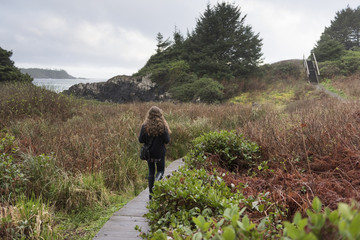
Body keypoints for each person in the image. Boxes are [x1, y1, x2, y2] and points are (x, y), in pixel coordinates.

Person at [138, 106, 171, 200]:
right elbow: (167, 140)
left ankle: (151, 194)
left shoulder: (144, 126)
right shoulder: (163, 126)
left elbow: (140, 140)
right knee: (160, 171)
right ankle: (157, 184)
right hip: (160, 153)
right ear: (160, 115)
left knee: (151, 171)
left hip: (149, 153)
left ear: (149, 114)